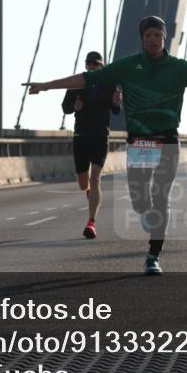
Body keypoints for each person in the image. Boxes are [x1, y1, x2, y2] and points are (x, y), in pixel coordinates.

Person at [24, 15, 187, 275]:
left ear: (164, 37)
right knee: (139, 201)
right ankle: (147, 215)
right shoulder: (128, 66)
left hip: (168, 140)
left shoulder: (179, 68)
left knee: (161, 197)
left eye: (157, 35)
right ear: (142, 38)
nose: (152, 39)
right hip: (139, 142)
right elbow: (86, 79)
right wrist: (46, 86)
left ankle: (153, 255)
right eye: (147, 35)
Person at [61, 51, 122, 240]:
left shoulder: (110, 85)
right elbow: (65, 107)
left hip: (100, 137)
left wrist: (116, 103)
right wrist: (74, 107)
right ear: (86, 65)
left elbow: (116, 110)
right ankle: (89, 192)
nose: (93, 67)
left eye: (97, 64)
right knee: (83, 184)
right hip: (81, 136)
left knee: (95, 177)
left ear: (103, 67)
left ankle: (91, 222)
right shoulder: (77, 84)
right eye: (90, 64)